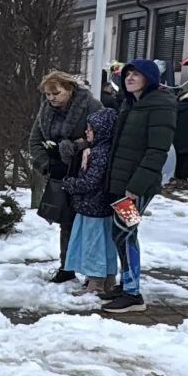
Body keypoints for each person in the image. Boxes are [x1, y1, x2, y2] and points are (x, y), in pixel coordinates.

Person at [101, 59, 178, 313]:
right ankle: (127, 284)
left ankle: (133, 294)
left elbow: (157, 150)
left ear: (150, 78)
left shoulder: (160, 106)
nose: (130, 78)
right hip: (121, 181)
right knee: (121, 232)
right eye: (127, 74)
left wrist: (136, 185)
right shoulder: (132, 104)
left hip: (136, 186)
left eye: (137, 74)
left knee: (125, 232)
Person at [27, 71, 104, 284]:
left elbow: (102, 138)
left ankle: (92, 272)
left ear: (69, 90)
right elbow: (34, 140)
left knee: (88, 222)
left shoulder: (91, 106)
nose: (51, 98)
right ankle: (67, 266)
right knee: (66, 220)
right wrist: (48, 163)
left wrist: (72, 148)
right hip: (60, 173)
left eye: (56, 93)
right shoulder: (46, 110)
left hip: (87, 172)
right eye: (47, 94)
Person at [61, 109, 119, 296]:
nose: (87, 132)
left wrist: (70, 184)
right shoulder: (106, 151)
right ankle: (109, 279)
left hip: (92, 206)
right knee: (106, 244)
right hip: (101, 206)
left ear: (102, 131)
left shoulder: (99, 153)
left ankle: (95, 282)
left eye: (90, 129)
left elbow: (91, 182)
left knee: (93, 245)